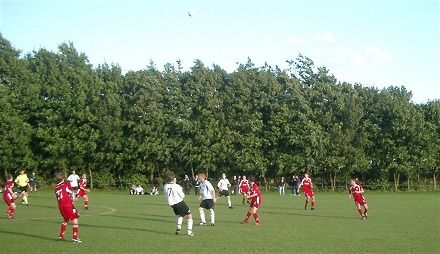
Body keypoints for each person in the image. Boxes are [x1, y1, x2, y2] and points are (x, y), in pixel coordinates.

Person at [164, 172, 194, 236]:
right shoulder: (176, 186)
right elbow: (182, 195)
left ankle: (179, 226)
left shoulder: (165, 186)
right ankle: (189, 231)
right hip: (179, 202)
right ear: (173, 178)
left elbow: (166, 196)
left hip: (172, 204)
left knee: (181, 214)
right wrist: (181, 189)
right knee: (189, 214)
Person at [54, 171, 81, 242]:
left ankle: (61, 236)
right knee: (75, 220)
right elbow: (71, 192)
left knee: (66, 220)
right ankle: (75, 238)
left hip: (61, 205)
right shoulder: (66, 184)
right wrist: (73, 200)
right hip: (67, 204)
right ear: (63, 177)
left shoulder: (56, 187)